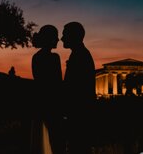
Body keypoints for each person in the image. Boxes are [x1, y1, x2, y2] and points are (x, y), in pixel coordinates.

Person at [61, 22, 96, 154]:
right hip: (80, 114)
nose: (62, 38)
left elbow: (74, 88)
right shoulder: (80, 54)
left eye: (64, 35)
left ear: (73, 36)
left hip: (79, 116)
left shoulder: (80, 56)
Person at [30, 25, 66, 154]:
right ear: (50, 39)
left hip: (41, 103)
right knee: (57, 141)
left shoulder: (36, 57)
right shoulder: (54, 58)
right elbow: (57, 84)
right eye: (55, 37)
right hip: (53, 104)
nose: (58, 40)